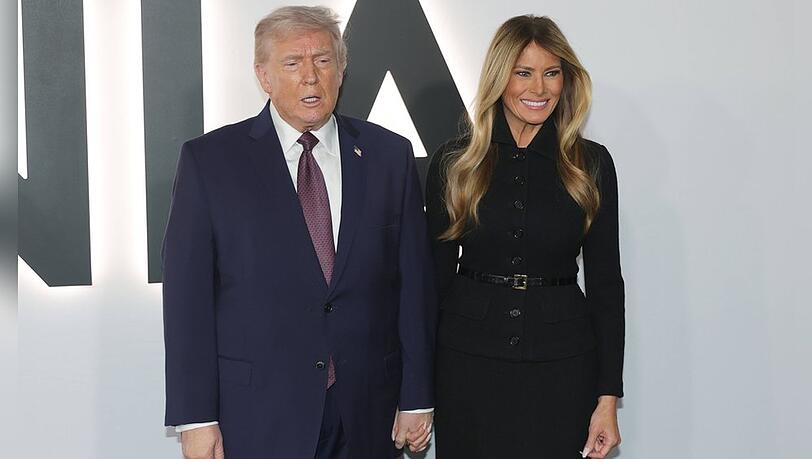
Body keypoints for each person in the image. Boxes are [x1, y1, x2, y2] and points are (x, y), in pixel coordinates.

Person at [162, 6, 436, 458]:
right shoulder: (209, 162)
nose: (311, 77)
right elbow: (188, 301)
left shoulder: (390, 156)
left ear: (341, 70)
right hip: (258, 413)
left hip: (369, 410)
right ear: (263, 76)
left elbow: (414, 288)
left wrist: (417, 395)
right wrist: (196, 418)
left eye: (323, 61)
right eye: (293, 63)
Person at [426, 15, 624, 459]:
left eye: (551, 73)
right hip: (467, 367)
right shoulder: (454, 162)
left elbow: (607, 286)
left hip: (561, 370)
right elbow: (432, 284)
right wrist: (417, 392)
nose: (540, 89)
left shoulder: (590, 164)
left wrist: (607, 399)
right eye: (524, 72)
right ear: (500, 76)